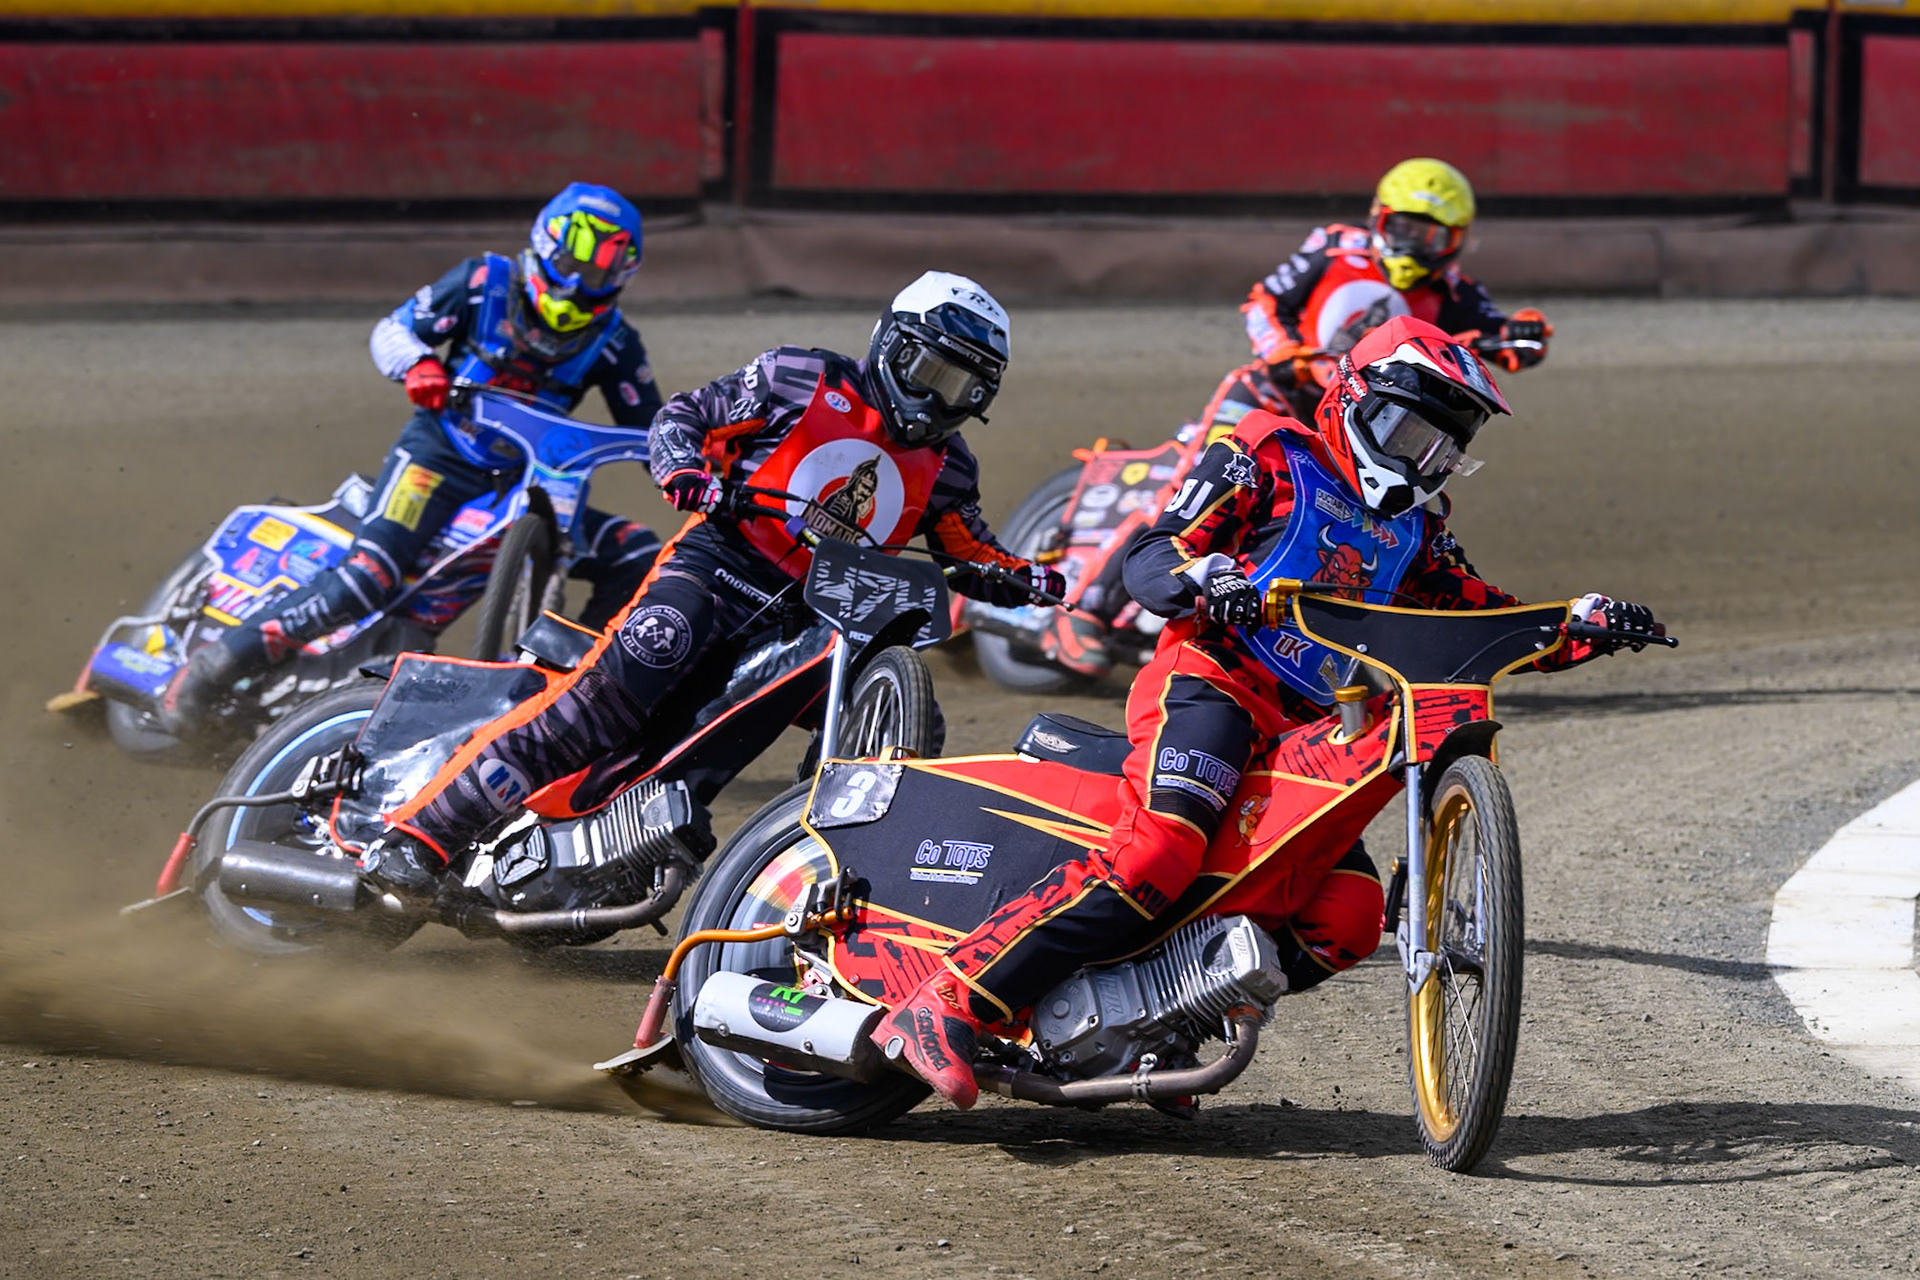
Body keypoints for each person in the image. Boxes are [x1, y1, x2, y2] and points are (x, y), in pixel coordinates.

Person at [875, 315, 1659, 1109]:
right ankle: (949, 1000)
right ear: (1354, 399)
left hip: (1306, 731)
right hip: (1211, 681)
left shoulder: (1421, 530)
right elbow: (1153, 553)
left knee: (1350, 915)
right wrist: (1204, 578)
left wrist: (1579, 625)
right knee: (1159, 851)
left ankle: (1162, 1023)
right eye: (1407, 433)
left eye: (1438, 449)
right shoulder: (1270, 451)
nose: (1418, 460)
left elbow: (1480, 616)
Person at [356, 271, 1066, 897]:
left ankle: (823, 875)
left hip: (816, 621)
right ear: (892, 344)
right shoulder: (800, 377)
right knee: (603, 705)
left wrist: (1027, 577)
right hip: (716, 570)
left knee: (916, 724)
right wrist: (686, 472)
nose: (938, 399)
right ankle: (421, 837)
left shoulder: (951, 467)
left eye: (960, 387)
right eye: (929, 371)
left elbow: (968, 548)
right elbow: (685, 416)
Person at [160, 182, 666, 738]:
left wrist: (693, 461)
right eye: (574, 265)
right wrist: (419, 365)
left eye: (598, 275)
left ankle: (578, 690)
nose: (578, 285)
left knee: (637, 554)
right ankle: (211, 667)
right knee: (366, 578)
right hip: (438, 458)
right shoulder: (484, 282)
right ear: (547, 248)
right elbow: (394, 331)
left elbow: (651, 427)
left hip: (527, 486)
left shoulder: (616, 341)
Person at [1242, 157, 1552, 420]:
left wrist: (1526, 331)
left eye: (1433, 238)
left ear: (1458, 241)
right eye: (1402, 229)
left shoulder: (1456, 293)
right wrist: (1280, 351)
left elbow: (1511, 344)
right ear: (1377, 215)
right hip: (1275, 394)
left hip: (1360, 424)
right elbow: (1265, 300)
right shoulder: (1335, 247)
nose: (1412, 248)